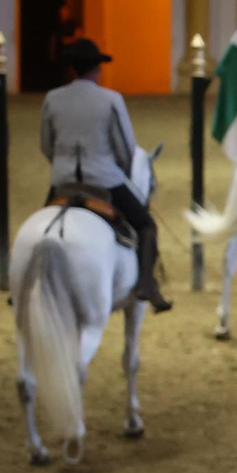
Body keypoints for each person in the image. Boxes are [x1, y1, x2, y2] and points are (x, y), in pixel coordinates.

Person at [40, 39, 171, 312]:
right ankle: (147, 282)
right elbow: (125, 146)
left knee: (43, 227)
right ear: (97, 70)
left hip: (62, 180)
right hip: (103, 180)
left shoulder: (52, 98)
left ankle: (33, 282)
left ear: (71, 69)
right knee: (146, 225)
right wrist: (120, 172)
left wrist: (61, 166)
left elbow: (46, 143)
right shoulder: (111, 100)